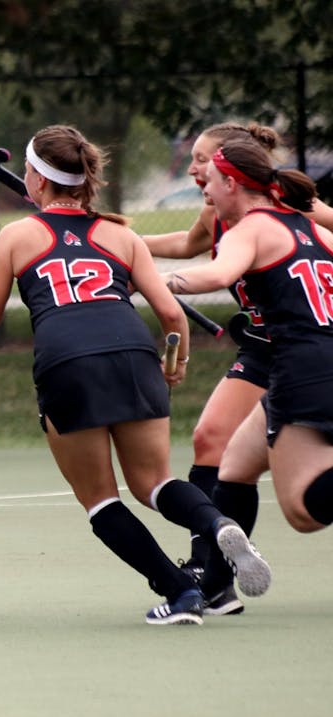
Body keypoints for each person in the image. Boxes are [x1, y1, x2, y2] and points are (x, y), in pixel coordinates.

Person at [0, 124, 270, 625]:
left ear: (35, 180)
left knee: (101, 500)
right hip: (134, 354)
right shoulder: (120, 234)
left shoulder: (17, 236)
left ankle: (179, 593)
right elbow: (170, 315)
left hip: (67, 363)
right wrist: (174, 366)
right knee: (155, 484)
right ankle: (217, 522)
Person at [164, 138, 333, 535]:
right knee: (235, 466)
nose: (204, 190)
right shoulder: (313, 229)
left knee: (301, 510)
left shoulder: (251, 228)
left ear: (232, 184)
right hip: (308, 359)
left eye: (211, 180)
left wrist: (150, 281)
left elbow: (217, 275)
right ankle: (218, 590)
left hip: (303, 366)